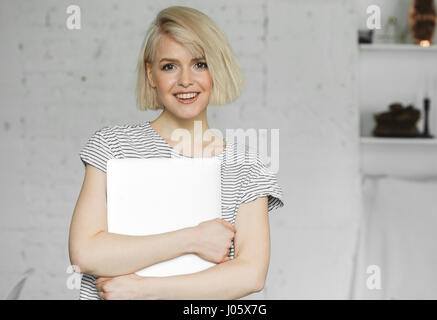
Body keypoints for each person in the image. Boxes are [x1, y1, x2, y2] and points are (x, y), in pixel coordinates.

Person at [69, 6, 284, 300]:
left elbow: (250, 274)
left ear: (216, 69)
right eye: (169, 66)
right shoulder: (112, 146)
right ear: (151, 74)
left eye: (200, 64)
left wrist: (145, 290)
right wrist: (193, 239)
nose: (185, 80)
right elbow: (85, 254)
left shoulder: (247, 165)